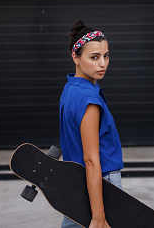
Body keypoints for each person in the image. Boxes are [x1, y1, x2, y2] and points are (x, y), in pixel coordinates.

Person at [60, 20, 124, 228]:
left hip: (78, 183)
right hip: (101, 184)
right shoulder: (89, 100)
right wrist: (98, 217)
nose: (102, 63)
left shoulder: (71, 88)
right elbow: (91, 161)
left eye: (106, 56)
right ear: (75, 58)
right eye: (94, 57)